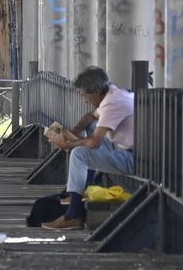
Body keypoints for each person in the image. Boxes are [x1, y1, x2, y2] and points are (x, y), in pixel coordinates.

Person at [41, 65, 135, 231]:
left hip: (132, 158)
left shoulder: (113, 104)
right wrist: (73, 132)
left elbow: (94, 143)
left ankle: (74, 214)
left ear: (97, 91)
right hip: (124, 147)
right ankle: (82, 188)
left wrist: (69, 145)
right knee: (87, 135)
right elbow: (90, 116)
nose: (85, 100)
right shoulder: (113, 93)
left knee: (79, 153)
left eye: (86, 96)